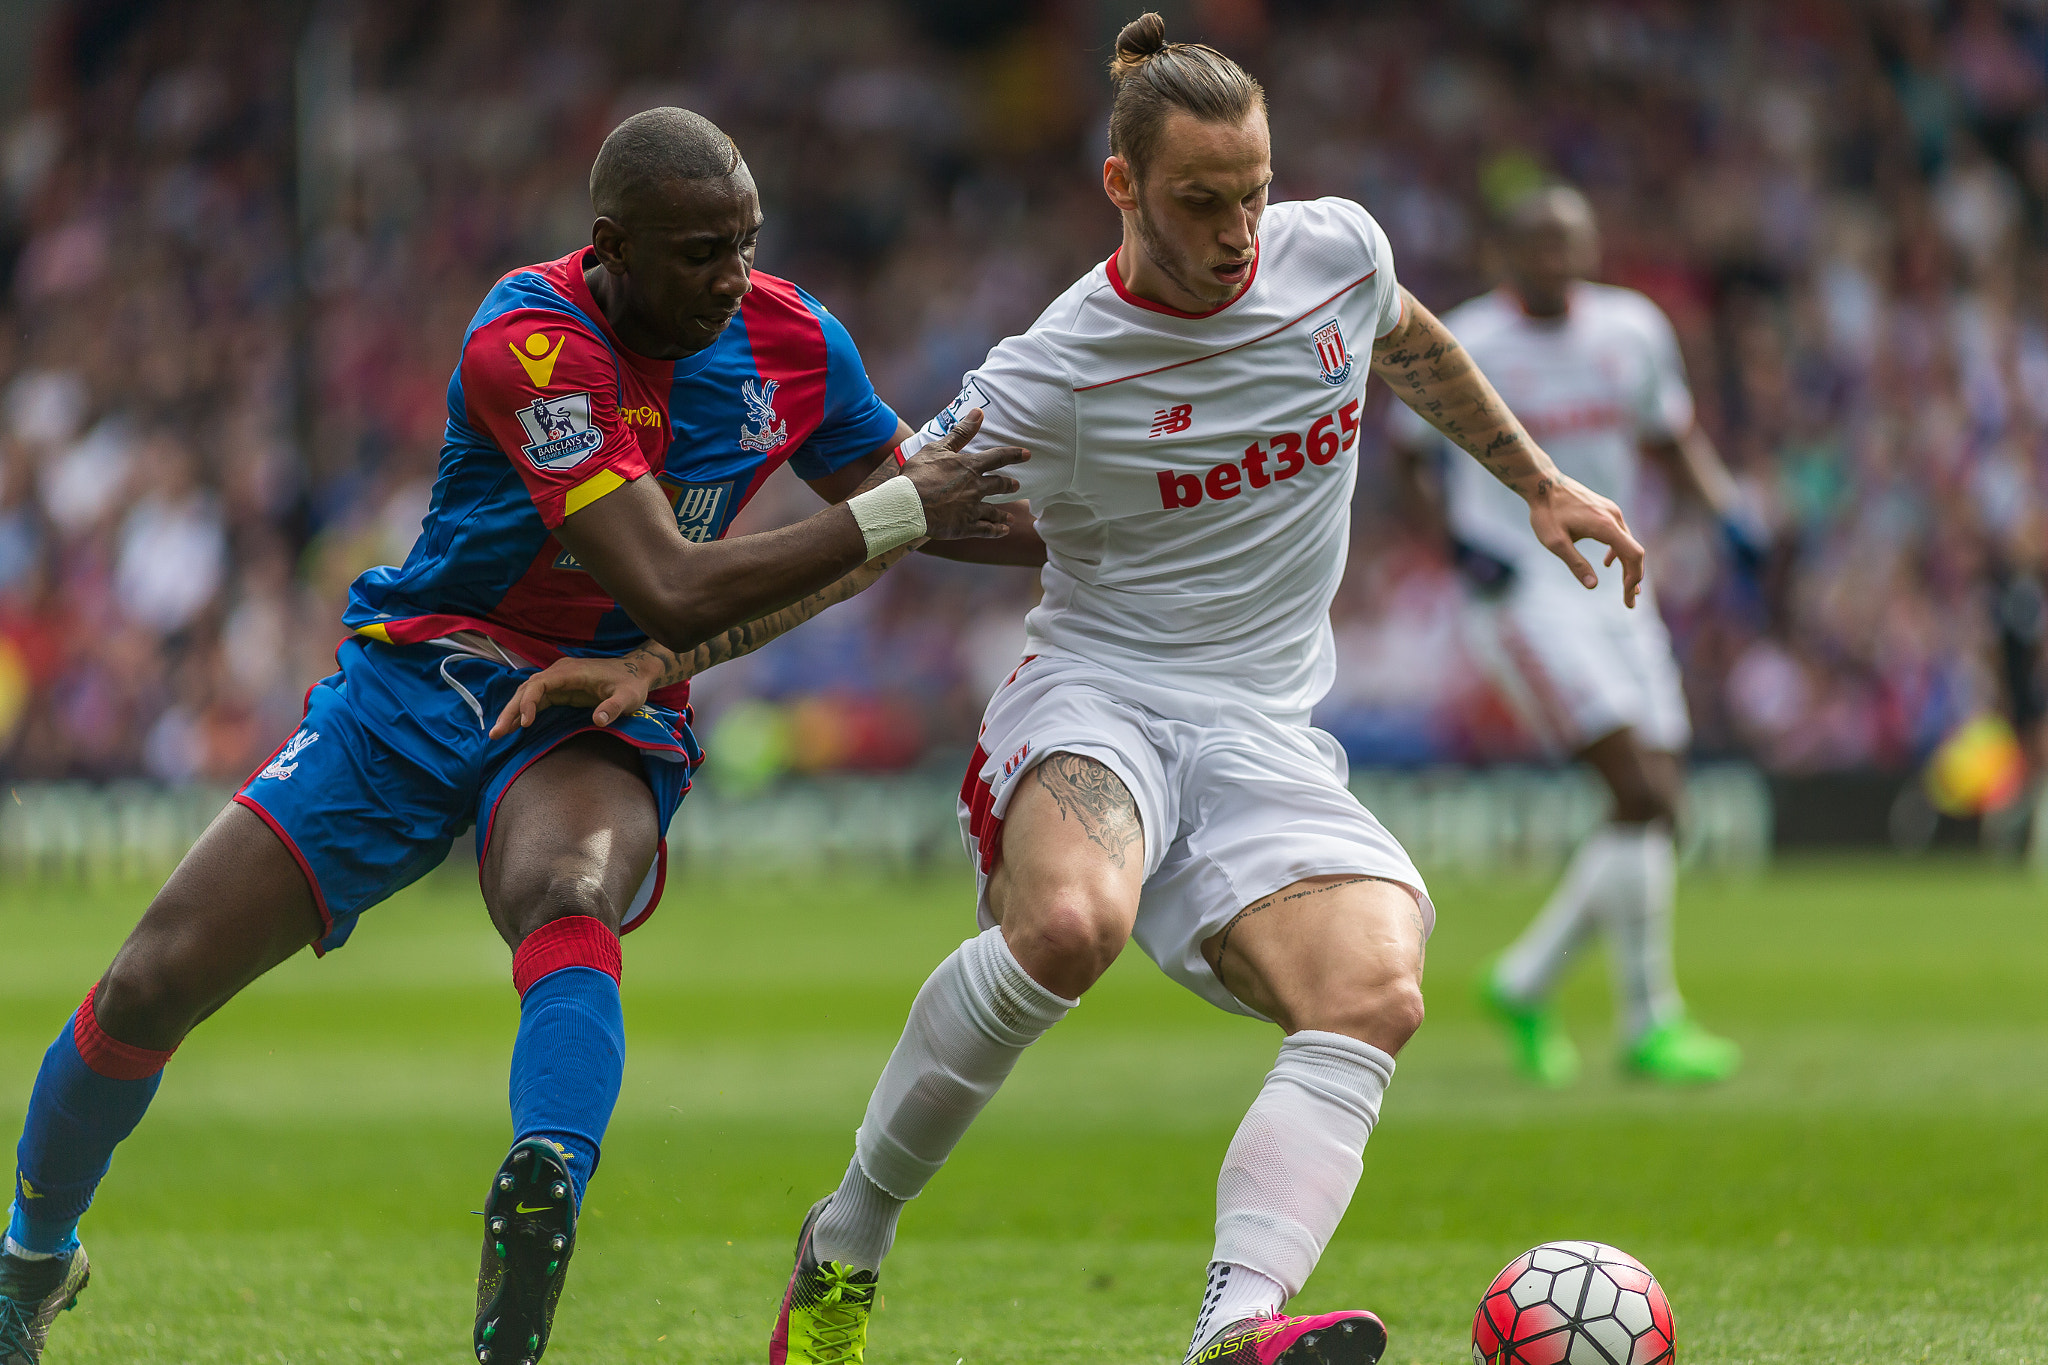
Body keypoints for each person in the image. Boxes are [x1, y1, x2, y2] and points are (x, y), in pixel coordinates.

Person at [506, 18, 1643, 1365]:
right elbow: (879, 531)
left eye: (1253, 194)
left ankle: (1237, 1324)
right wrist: (665, 658)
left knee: (1376, 990)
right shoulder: (1055, 366)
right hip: (1097, 697)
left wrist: (1537, 482)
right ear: (1123, 188)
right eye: (1200, 202)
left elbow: (1403, 337)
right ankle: (847, 1241)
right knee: (1064, 927)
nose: (1237, 233)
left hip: (1265, 731)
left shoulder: (1337, 250)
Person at [0, 108, 1024, 1365]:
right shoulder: (531, 341)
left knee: (568, 888)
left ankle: (542, 1185)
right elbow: (678, 581)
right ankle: (31, 1261)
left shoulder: (794, 338)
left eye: (746, 245)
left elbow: (925, 506)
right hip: (426, 678)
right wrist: (900, 510)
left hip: (602, 703)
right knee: (151, 979)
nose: (731, 279)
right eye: (700, 252)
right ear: (612, 246)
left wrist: (1155, 517)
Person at [1389, 186, 1746, 1089]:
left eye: (1569, 243)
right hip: (1524, 592)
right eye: (1538, 244)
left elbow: (1670, 436)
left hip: (1620, 581)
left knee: (1658, 804)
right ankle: (1648, 1019)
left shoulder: (1633, 330)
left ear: (1591, 249)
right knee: (1642, 790)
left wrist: (1730, 511)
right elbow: (1408, 454)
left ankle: (1529, 980)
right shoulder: (1469, 339)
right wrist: (1459, 547)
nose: (1555, 259)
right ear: (1507, 253)